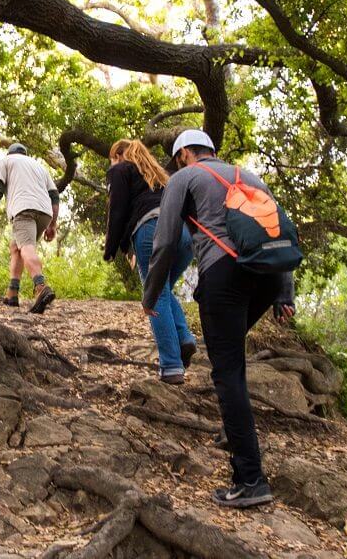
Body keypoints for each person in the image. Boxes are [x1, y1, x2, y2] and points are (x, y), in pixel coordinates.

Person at [144, 129, 295, 509]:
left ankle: (250, 480)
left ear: (183, 156)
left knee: (227, 370)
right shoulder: (249, 176)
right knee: (230, 356)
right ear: (212, 150)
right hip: (268, 275)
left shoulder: (184, 178)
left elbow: (163, 243)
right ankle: (236, 430)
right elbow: (276, 230)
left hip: (225, 273)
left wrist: (151, 293)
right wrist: (284, 294)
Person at [103, 139, 196, 384]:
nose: (111, 163)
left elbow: (118, 210)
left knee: (156, 296)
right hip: (185, 235)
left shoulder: (120, 169)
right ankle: (185, 338)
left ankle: (172, 367)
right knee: (162, 289)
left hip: (152, 230)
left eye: (113, 156)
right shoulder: (162, 177)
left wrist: (110, 248)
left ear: (121, 155)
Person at [0, 143, 60, 314]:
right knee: (16, 246)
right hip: (44, 212)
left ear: (9, 153)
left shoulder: (6, 161)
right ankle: (12, 294)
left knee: (25, 247)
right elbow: (54, 195)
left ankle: (40, 286)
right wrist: (52, 224)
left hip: (24, 209)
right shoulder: (39, 167)